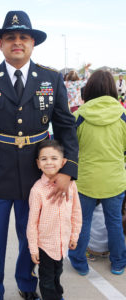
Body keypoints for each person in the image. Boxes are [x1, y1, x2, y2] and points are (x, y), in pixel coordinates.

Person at [0, 11, 78, 300]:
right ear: (0, 43)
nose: (17, 42)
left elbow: (65, 126)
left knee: (33, 237)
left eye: (23, 37)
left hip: (37, 176)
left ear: (32, 43)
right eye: (11, 37)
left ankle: (27, 284)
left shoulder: (50, 78)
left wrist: (67, 171)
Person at [68, 70, 126, 276]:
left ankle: (78, 261)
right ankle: (119, 261)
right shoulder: (123, 116)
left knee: (82, 222)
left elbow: (69, 149)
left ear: (89, 88)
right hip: (115, 180)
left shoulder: (78, 116)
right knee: (115, 222)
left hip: (85, 180)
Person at [27, 140, 82, 300]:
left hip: (62, 241)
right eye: (44, 159)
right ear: (38, 163)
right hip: (45, 245)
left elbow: (76, 212)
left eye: (54, 158)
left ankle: (58, 293)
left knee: (58, 272)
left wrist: (74, 236)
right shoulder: (37, 190)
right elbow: (32, 223)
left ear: (63, 162)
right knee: (46, 280)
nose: (49, 162)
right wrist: (33, 248)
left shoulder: (71, 185)